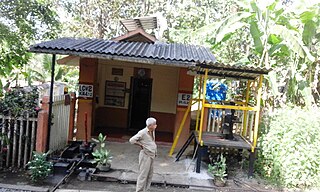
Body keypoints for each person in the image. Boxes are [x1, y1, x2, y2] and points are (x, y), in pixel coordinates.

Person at [129, 117, 157, 192]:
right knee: (143, 175)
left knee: (149, 175)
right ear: (150, 125)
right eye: (154, 124)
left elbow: (152, 142)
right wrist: (140, 144)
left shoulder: (152, 131)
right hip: (145, 155)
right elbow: (132, 140)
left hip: (151, 155)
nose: (156, 126)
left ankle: (146, 190)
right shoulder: (143, 132)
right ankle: (139, 190)